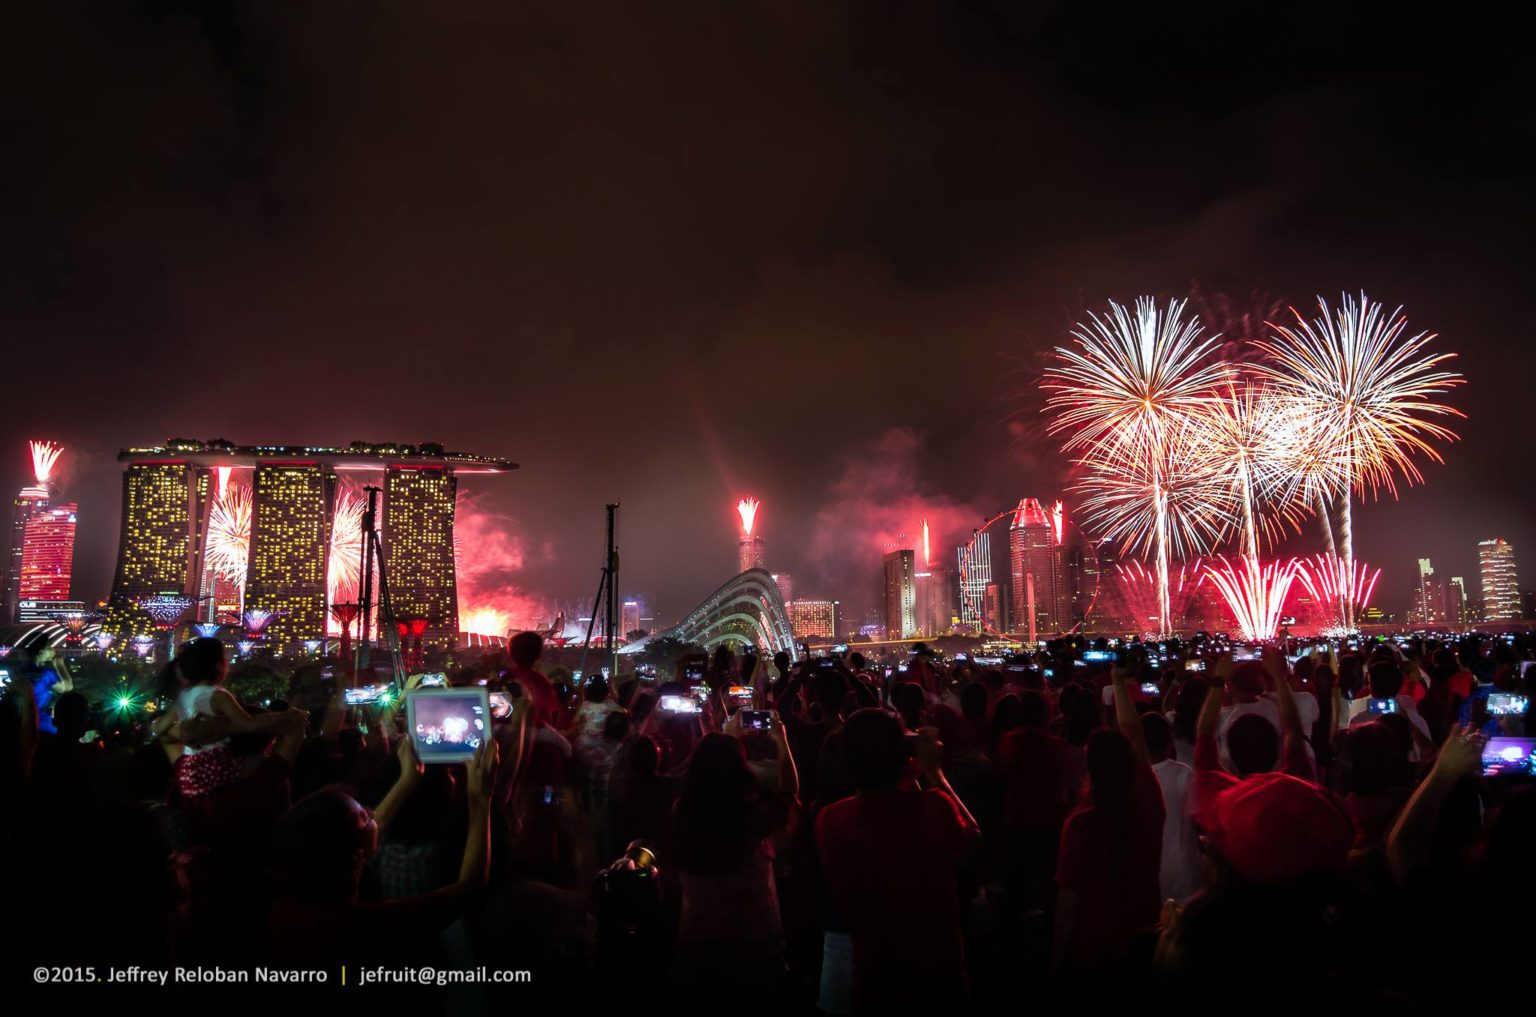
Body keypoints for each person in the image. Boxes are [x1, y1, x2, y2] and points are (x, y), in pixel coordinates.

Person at [268, 737, 498, 965]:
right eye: (364, 816)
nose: (372, 813)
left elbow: (364, 833)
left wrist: (408, 778)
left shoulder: (290, 897)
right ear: (359, 854)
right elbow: (470, 887)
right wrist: (480, 796)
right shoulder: (357, 927)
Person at [816, 708, 980, 1014]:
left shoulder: (831, 820)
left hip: (874, 975)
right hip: (938, 973)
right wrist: (934, 774)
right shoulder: (936, 807)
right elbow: (971, 839)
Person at [669, 719, 798, 1006]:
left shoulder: (682, 810)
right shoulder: (750, 815)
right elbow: (789, 793)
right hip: (753, 939)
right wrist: (781, 740)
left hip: (698, 937)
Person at [1053, 663, 1165, 977]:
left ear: (1091, 768)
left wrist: (1058, 962)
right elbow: (1133, 734)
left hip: (1096, 949)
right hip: (1146, 937)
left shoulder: (1081, 824)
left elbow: (1068, 907)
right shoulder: (1149, 801)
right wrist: (1119, 684)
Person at [154, 638, 303, 800]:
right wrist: (287, 714)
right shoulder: (219, 696)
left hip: (189, 777)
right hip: (216, 768)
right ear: (219, 666)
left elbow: (159, 728)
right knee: (261, 762)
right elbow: (249, 724)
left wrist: (175, 730)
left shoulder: (183, 696)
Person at [1143, 711, 1201, 903]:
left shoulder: (1134, 779)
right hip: (1186, 868)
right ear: (1169, 742)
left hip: (1153, 870)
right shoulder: (1184, 773)